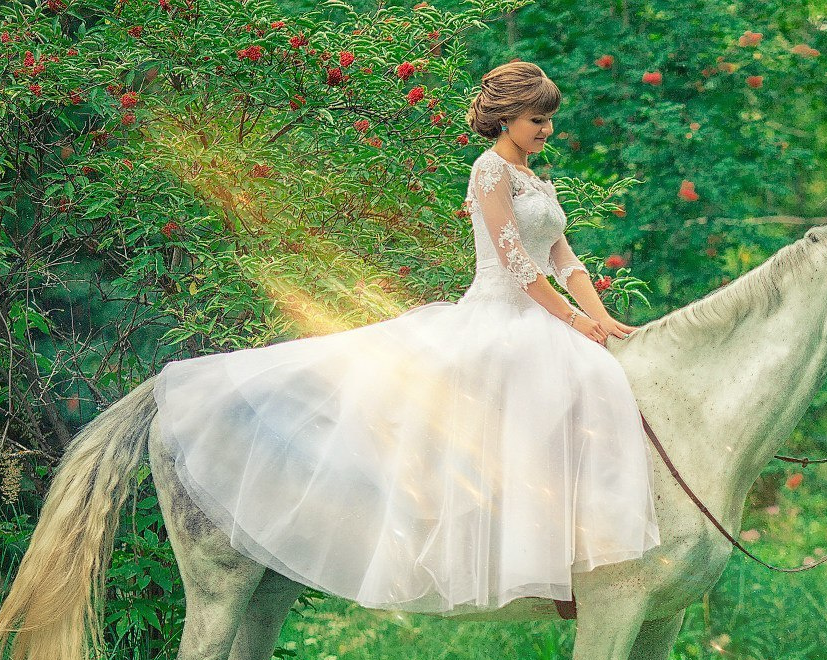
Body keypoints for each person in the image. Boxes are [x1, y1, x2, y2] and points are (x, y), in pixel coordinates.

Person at [151, 61, 660, 615]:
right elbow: (515, 261)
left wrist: (601, 318)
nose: (547, 130)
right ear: (508, 118)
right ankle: (494, 548)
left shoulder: (537, 179)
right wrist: (572, 320)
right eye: (537, 120)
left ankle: (567, 551)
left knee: (591, 382)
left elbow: (563, 258)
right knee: (510, 406)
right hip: (497, 314)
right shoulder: (489, 171)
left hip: (539, 316)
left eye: (549, 120)